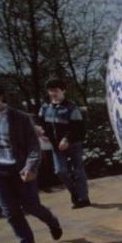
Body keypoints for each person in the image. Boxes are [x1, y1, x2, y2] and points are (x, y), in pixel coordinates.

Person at [0, 82, 63, 243]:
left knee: (31, 206)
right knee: (10, 211)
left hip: (20, 169)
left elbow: (34, 147)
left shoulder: (20, 118)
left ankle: (52, 221)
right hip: (0, 172)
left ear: (0, 96)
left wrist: (30, 167)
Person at [38, 78, 90, 208]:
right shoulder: (45, 108)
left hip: (73, 144)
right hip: (56, 146)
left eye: (56, 90)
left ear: (63, 91)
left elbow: (78, 128)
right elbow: (41, 124)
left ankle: (84, 199)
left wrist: (67, 139)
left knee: (78, 171)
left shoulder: (71, 108)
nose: (53, 93)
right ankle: (75, 193)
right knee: (60, 171)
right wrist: (42, 133)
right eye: (50, 91)